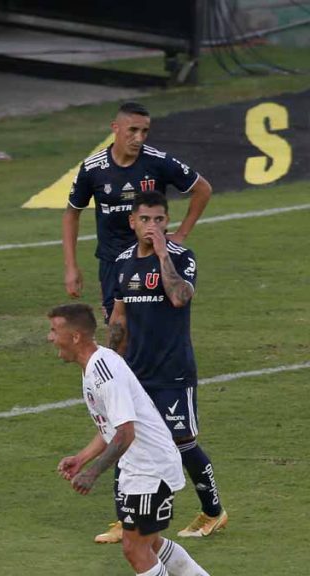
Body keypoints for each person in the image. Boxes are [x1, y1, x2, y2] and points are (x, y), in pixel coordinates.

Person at [48, 303, 210, 576]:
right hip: (138, 467)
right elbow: (112, 427)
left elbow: (126, 433)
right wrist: (82, 458)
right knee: (151, 544)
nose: (50, 337)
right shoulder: (94, 367)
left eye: (54, 330)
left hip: (150, 467)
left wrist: (92, 473)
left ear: (75, 336)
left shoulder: (104, 372)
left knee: (135, 549)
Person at [103, 191, 227, 543]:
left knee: (182, 441)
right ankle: (125, 520)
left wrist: (161, 254)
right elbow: (119, 317)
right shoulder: (122, 262)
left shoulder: (181, 257)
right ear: (132, 222)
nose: (152, 226)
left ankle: (213, 512)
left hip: (173, 371)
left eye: (159, 219)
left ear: (167, 221)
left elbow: (179, 297)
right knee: (126, 438)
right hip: (135, 372)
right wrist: (111, 363)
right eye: (145, 219)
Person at [62, 102, 212, 324]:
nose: (139, 138)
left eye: (144, 131)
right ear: (115, 128)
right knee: (116, 327)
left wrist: (181, 234)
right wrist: (71, 267)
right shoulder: (93, 168)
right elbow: (71, 215)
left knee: (152, 325)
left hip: (150, 259)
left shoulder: (158, 161)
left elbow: (203, 189)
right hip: (112, 261)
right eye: (132, 130)